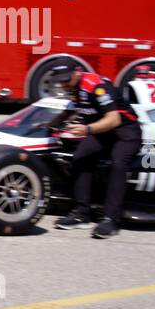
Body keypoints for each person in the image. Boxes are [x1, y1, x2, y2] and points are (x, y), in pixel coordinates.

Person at [52, 64, 142, 238]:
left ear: (77, 72)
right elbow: (70, 110)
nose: (63, 83)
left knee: (118, 163)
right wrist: (49, 124)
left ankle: (111, 220)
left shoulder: (97, 86)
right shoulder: (74, 87)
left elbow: (114, 119)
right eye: (59, 81)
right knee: (80, 157)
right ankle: (82, 213)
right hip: (103, 132)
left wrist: (87, 130)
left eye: (66, 79)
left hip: (126, 131)